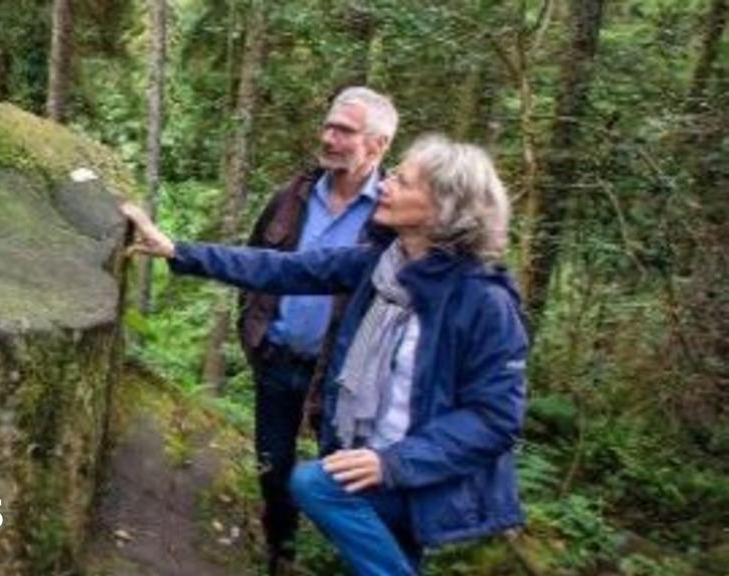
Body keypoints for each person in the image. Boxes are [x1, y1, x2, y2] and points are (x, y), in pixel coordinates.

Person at [121, 134, 529, 576]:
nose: (386, 184)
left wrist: (393, 463)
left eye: (404, 182)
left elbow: (495, 419)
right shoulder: (383, 265)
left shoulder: (484, 303)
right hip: (364, 455)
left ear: (444, 210)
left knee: (314, 484)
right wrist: (178, 251)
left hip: (418, 474)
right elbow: (282, 268)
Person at [238, 86, 397, 574]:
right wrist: (253, 331)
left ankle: (346, 558)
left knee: (342, 477)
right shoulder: (292, 197)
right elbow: (255, 263)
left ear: (378, 144)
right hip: (278, 358)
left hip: (344, 378)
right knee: (274, 463)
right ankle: (280, 550)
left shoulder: (392, 214)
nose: (328, 137)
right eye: (328, 126)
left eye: (344, 130)